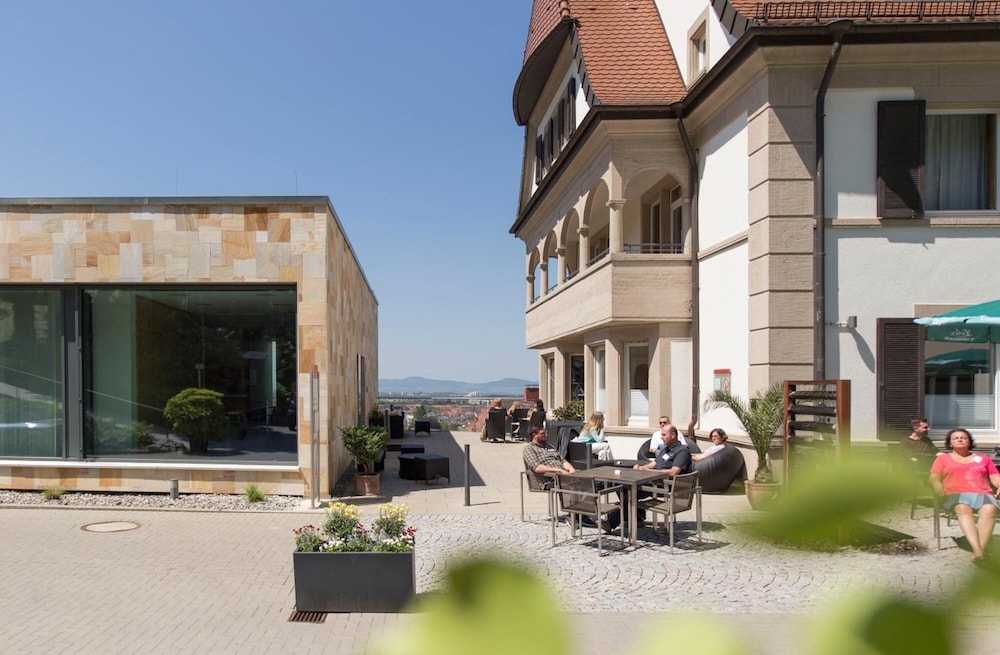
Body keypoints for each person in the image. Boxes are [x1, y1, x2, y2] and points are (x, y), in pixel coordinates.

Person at [929, 428, 1000, 562]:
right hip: (955, 493)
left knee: (990, 509)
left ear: (969, 442)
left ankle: (979, 551)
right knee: (962, 508)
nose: (960, 439)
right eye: (956, 438)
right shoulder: (943, 459)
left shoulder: (984, 458)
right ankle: (978, 551)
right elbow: (934, 476)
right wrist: (936, 483)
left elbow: (995, 476)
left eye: (963, 437)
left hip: (982, 492)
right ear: (950, 443)